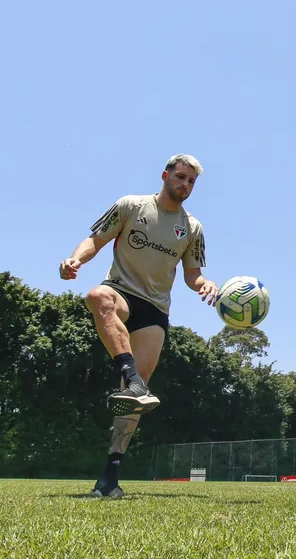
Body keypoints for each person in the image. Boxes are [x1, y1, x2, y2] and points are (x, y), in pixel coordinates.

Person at [59, 153, 217, 498]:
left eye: (191, 181)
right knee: (97, 297)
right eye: (180, 177)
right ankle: (132, 380)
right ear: (165, 175)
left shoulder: (193, 229)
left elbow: (192, 274)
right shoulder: (130, 205)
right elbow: (95, 240)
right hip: (121, 291)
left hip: (155, 311)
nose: (185, 185)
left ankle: (109, 478)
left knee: (132, 405)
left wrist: (204, 284)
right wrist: (75, 259)